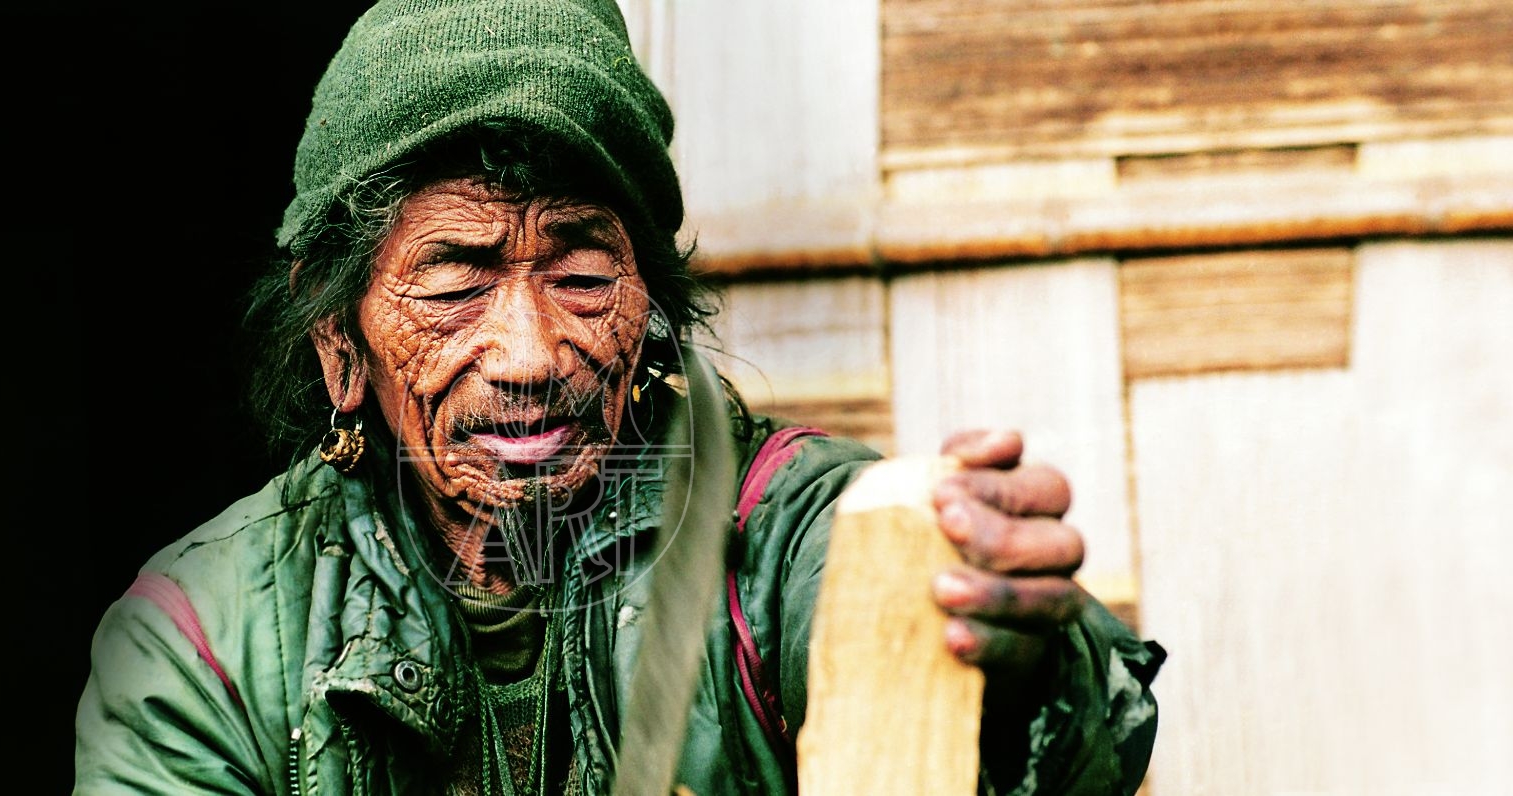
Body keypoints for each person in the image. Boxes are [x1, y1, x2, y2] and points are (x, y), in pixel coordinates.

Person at [73, 0, 1163, 793]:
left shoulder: (772, 539)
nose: (530, 354)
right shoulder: (202, 641)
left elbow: (893, 604)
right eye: (454, 283)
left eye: (583, 275)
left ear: (649, 312)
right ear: (339, 347)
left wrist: (1017, 673)